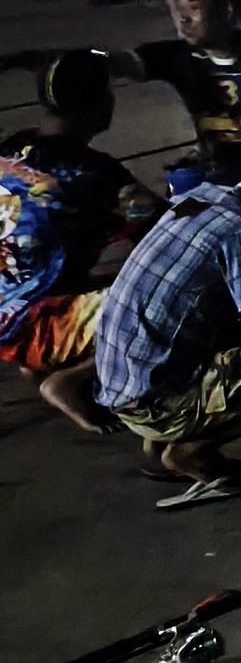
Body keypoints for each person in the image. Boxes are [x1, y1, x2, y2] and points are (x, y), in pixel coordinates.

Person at [93, 124, 241, 506]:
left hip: (122, 383)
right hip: (156, 401)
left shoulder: (209, 196)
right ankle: (190, 451)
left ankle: (159, 444)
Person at [2, 0, 241, 179]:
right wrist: (67, 56)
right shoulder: (175, 57)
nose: (183, 20)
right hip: (214, 174)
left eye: (193, 8)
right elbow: (111, 61)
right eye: (176, 11)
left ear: (224, 8)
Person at [0, 52, 152, 431]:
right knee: (167, 293)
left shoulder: (9, 147)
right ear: (97, 103)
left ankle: (37, 363)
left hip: (6, 313)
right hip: (40, 325)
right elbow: (158, 222)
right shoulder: (94, 173)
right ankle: (69, 377)